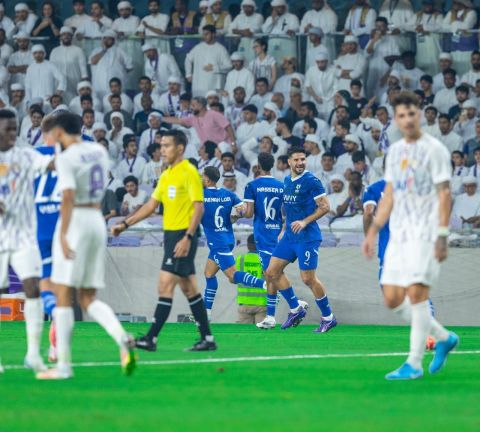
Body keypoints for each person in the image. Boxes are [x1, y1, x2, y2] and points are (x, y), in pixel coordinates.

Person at [362, 91, 458, 380]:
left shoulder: (435, 150)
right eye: (401, 115)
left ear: (419, 114)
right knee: (391, 297)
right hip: (398, 235)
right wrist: (373, 230)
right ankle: (443, 337)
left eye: (411, 113)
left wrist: (442, 234)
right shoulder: (396, 152)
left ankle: (413, 363)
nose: (406, 119)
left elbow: (445, 194)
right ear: (396, 119)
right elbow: (389, 195)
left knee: (416, 295)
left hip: (425, 232)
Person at [36, 112, 136, 380]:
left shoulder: (68, 158)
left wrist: (64, 234)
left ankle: (64, 365)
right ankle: (121, 337)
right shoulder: (98, 151)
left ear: (58, 131)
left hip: (77, 220)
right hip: (96, 222)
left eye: (49, 133)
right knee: (88, 297)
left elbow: (67, 196)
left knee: (63, 295)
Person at [112, 130, 216, 352]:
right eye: (161, 145)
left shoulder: (189, 172)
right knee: (189, 289)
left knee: (165, 284)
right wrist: (125, 224)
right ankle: (207, 338)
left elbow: (199, 207)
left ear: (180, 148)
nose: (162, 149)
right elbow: (150, 206)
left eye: (167, 145)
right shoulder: (167, 174)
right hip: (171, 236)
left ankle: (151, 338)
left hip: (182, 235)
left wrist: (188, 237)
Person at [0, 109, 55, 374]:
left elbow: (53, 164)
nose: (12, 133)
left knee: (33, 288)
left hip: (23, 237)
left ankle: (33, 354)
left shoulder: (25, 155)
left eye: (14, 128)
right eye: (7, 129)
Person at [265, 147, 336, 332]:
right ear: (288, 162)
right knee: (271, 272)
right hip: (289, 236)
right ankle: (296, 308)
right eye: (296, 160)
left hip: (307, 237)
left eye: (303, 159)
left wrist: (305, 222)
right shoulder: (287, 180)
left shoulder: (311, 181)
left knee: (308, 278)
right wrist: (283, 228)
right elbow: (288, 208)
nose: (300, 163)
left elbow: (325, 207)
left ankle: (328, 317)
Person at [201, 166, 266, 318]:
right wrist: (235, 216)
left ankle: (265, 284)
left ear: (207, 179)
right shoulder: (228, 194)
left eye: (203, 176)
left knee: (232, 276)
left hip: (217, 242)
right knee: (209, 274)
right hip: (228, 239)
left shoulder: (201, 196)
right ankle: (206, 312)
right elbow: (242, 210)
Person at [242, 153, 288, 329]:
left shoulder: (252, 185)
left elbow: (248, 213)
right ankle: (270, 316)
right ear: (273, 165)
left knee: (272, 273)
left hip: (263, 236)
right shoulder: (281, 186)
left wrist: (236, 212)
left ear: (258, 166)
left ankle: (295, 304)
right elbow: (287, 212)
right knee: (270, 274)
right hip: (278, 234)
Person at [162, 96, 235, 146]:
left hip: (223, 146)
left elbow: (228, 127)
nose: (191, 108)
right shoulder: (193, 118)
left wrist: (233, 144)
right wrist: (161, 119)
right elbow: (178, 120)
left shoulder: (214, 114)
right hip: (209, 149)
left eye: (193, 105)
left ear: (201, 105)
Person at [185, 24, 231, 97]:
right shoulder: (198, 47)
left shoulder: (221, 49)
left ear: (213, 34)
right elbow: (188, 59)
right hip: (199, 85)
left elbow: (229, 66)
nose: (204, 36)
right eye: (203, 34)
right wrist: (188, 74)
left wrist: (214, 68)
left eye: (207, 34)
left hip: (214, 85)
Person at [89, 30, 133, 100]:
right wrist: (104, 50)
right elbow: (93, 61)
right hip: (99, 85)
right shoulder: (96, 51)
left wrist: (121, 74)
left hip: (115, 86)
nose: (106, 40)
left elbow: (129, 66)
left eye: (109, 39)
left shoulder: (120, 51)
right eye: (105, 38)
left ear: (114, 40)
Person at [49, 26, 88, 103]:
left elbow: (84, 70)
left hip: (74, 83)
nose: (66, 36)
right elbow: (51, 70)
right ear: (60, 37)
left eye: (68, 34)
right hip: (58, 85)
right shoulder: (55, 51)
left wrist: (84, 84)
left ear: (71, 37)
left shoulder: (78, 50)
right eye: (64, 34)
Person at [236, 234, 267, 324]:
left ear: (248, 245)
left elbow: (233, 278)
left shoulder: (240, 259)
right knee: (262, 333)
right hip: (262, 303)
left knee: (244, 334)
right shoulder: (265, 259)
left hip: (244, 303)